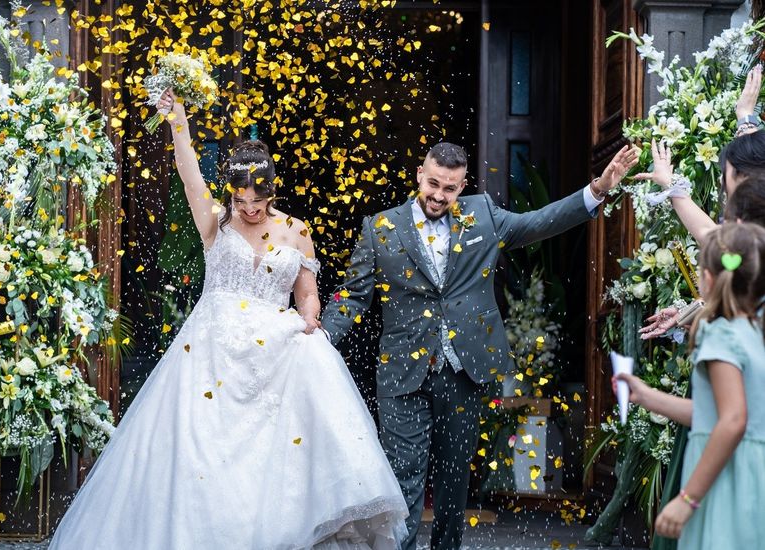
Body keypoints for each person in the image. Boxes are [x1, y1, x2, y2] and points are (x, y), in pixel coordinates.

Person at [50, 91, 409, 549]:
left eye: (260, 200)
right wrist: (178, 119)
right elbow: (189, 174)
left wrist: (310, 321)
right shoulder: (215, 222)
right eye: (243, 201)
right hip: (211, 356)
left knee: (273, 460)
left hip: (275, 355)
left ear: (273, 191)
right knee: (204, 453)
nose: (252, 209)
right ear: (232, 194)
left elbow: (308, 295)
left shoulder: (297, 231)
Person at [320, 141, 639, 549]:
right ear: (420, 174)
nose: (438, 195)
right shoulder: (379, 228)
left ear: (463, 185)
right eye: (432, 183)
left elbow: (538, 222)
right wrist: (324, 336)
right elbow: (353, 294)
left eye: (449, 188)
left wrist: (596, 189)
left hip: (464, 371)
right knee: (403, 479)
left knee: (455, 485)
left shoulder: (484, 215)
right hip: (402, 373)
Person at [613, 222, 765, 548]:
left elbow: (733, 420)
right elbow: (712, 412)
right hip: (751, 475)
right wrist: (646, 395)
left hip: (726, 478)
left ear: (708, 279)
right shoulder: (753, 332)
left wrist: (688, 498)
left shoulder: (719, 332)